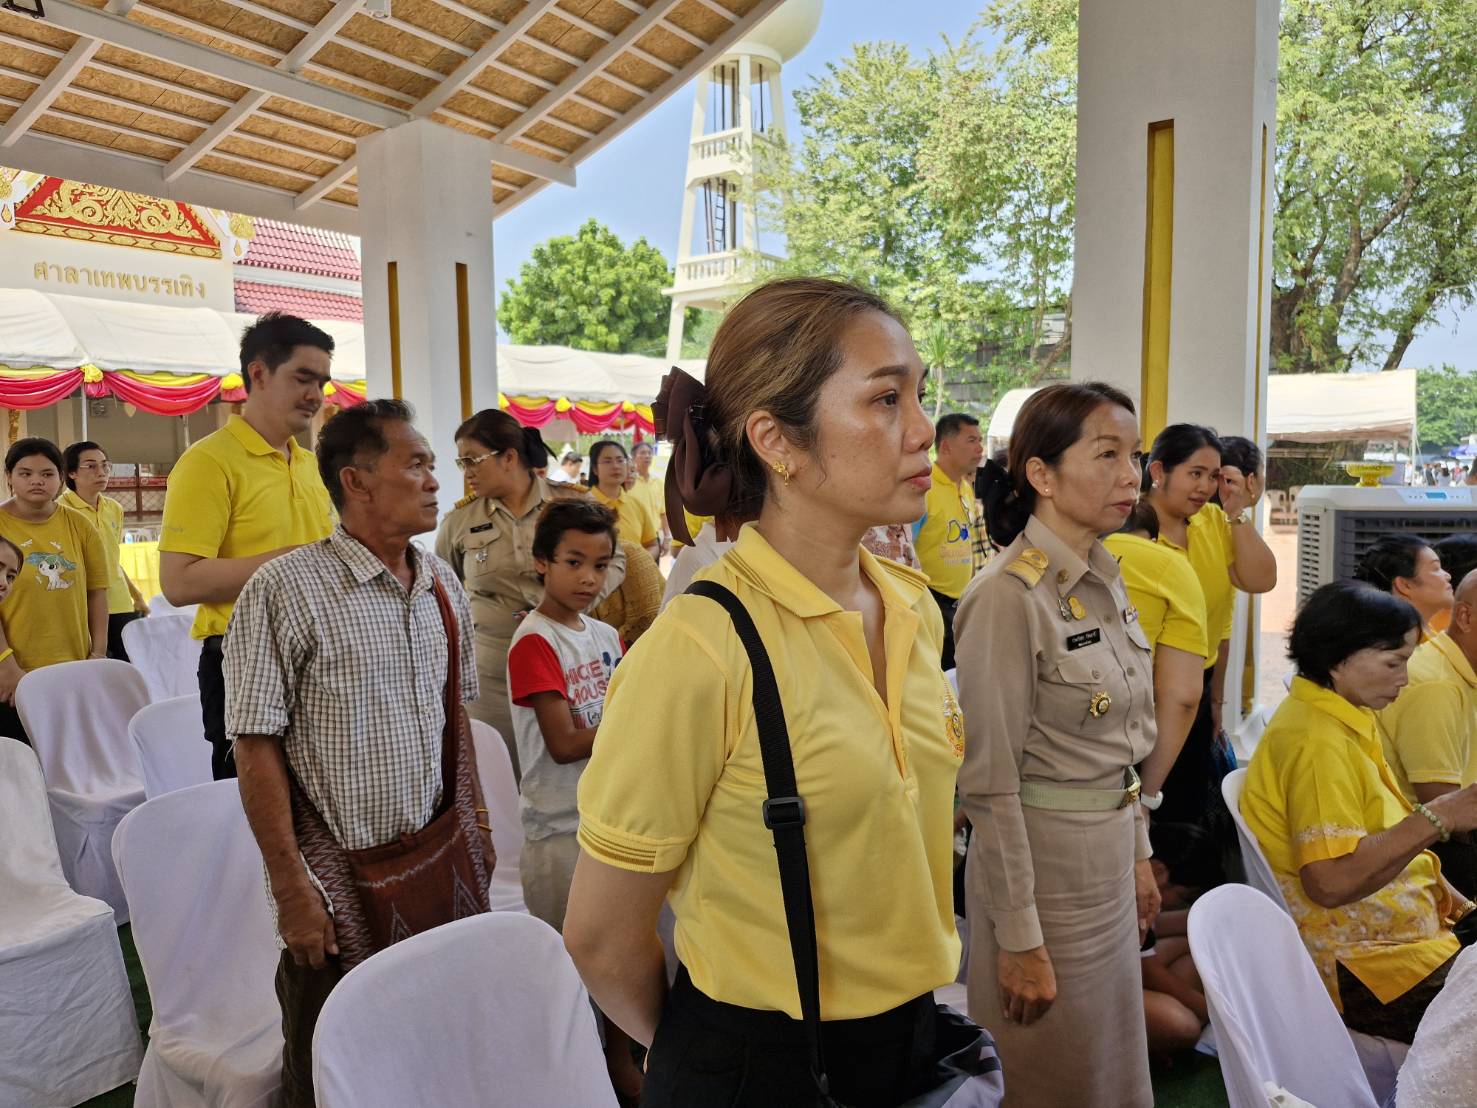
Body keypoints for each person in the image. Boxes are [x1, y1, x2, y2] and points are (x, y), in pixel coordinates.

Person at [564, 278, 963, 1106]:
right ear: (776, 441)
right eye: (885, 399)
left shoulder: (912, 607)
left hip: (910, 1036)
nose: (923, 430)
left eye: (918, 395)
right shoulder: (701, 647)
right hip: (760, 1058)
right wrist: (718, 1063)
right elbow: (603, 938)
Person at [228, 400, 491, 1107]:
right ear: (357, 482)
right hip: (335, 882)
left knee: (430, 1042)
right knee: (330, 1065)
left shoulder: (440, 583)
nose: (436, 479)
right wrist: (292, 891)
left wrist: (479, 826)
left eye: (435, 464)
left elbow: (454, 724)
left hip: (436, 862)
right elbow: (254, 749)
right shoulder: (284, 590)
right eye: (416, 464)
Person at [956, 381, 1159, 1107]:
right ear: (1040, 475)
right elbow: (988, 783)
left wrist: (1136, 851)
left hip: (1105, 853)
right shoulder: (1006, 597)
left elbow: (1118, 745)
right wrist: (1017, 935)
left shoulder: (1103, 574)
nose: (1129, 476)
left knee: (1108, 1060)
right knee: (1050, 1071)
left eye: (1132, 456)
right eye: (1105, 455)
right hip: (1043, 872)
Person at [1241, 580, 1477, 1043]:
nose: (1404, 679)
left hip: (1402, 945)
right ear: (1337, 659)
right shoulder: (1316, 742)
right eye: (1394, 663)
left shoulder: (1340, 715)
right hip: (1365, 968)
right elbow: (1329, 883)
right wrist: (1439, 816)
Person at [159, 312, 337, 780]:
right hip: (244, 660)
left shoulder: (309, 465)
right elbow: (178, 582)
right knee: (256, 819)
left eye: (322, 382)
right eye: (303, 378)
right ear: (258, 374)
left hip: (318, 658)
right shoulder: (208, 462)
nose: (315, 396)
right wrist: (294, 562)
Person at [505, 498, 639, 1098]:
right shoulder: (533, 642)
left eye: (601, 564)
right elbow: (562, 743)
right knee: (572, 974)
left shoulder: (607, 636)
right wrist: (634, 722)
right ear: (542, 563)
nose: (588, 578)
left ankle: (618, 1063)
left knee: (614, 959)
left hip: (606, 822)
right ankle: (575, 1078)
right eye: (573, 562)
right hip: (559, 833)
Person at [436, 410, 626, 779]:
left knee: (575, 769)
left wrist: (573, 606)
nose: (467, 472)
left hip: (567, 662)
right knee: (500, 775)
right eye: (461, 463)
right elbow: (446, 588)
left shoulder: (569, 503)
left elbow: (614, 559)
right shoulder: (460, 522)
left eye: (472, 460)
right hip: (492, 672)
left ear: (509, 457)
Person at [1142, 424, 1276, 833]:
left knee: (1183, 806)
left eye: (1214, 476)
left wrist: (1236, 514)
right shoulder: (1130, 531)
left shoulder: (1215, 523)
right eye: (1194, 473)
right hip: (1142, 689)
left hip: (1194, 691)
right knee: (1140, 803)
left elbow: (1259, 580)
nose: (1205, 486)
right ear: (1159, 471)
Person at [0, 438, 109, 746]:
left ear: (62, 478)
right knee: (19, 766)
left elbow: (97, 592)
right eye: (25, 473)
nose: (37, 480)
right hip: (14, 673)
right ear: (8, 476)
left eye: (47, 473)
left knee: (70, 756)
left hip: (73, 669)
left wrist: (97, 654)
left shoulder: (81, 525)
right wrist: (5, 663)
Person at [1104, 499, 1211, 814]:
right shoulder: (1171, 566)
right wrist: (1146, 798)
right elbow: (1182, 696)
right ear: (1152, 539)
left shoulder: (1035, 555)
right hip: (1120, 746)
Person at [1377, 569, 1477, 896]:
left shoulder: (1458, 667)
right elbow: (1448, 814)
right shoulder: (1438, 687)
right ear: (1464, 617)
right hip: (1424, 854)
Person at [60, 440, 150, 661]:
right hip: (83, 605)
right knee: (92, 670)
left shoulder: (114, 509)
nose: (101, 472)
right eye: (91, 466)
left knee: (128, 669)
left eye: (105, 465)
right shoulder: (61, 511)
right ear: (71, 473)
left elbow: (112, 558)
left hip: (120, 603)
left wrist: (136, 595)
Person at [913, 412, 984, 669]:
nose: (980, 449)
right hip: (931, 601)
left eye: (980, 440)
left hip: (961, 601)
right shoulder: (923, 487)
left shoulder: (965, 488)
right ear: (945, 446)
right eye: (971, 440)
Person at [1354, 534, 1453, 636]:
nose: (1448, 576)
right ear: (1405, 585)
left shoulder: (1434, 636)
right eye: (1435, 568)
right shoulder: (1391, 645)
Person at [586, 440, 660, 559]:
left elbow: (652, 544)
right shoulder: (583, 504)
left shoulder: (636, 504)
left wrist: (640, 562)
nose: (615, 466)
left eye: (620, 460)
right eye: (607, 461)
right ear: (595, 469)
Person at [627, 441, 670, 555]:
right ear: (633, 457)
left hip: (653, 538)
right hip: (633, 536)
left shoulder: (658, 483)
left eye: (649, 453)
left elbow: (663, 512)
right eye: (642, 453)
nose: (647, 456)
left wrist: (667, 537)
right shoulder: (628, 483)